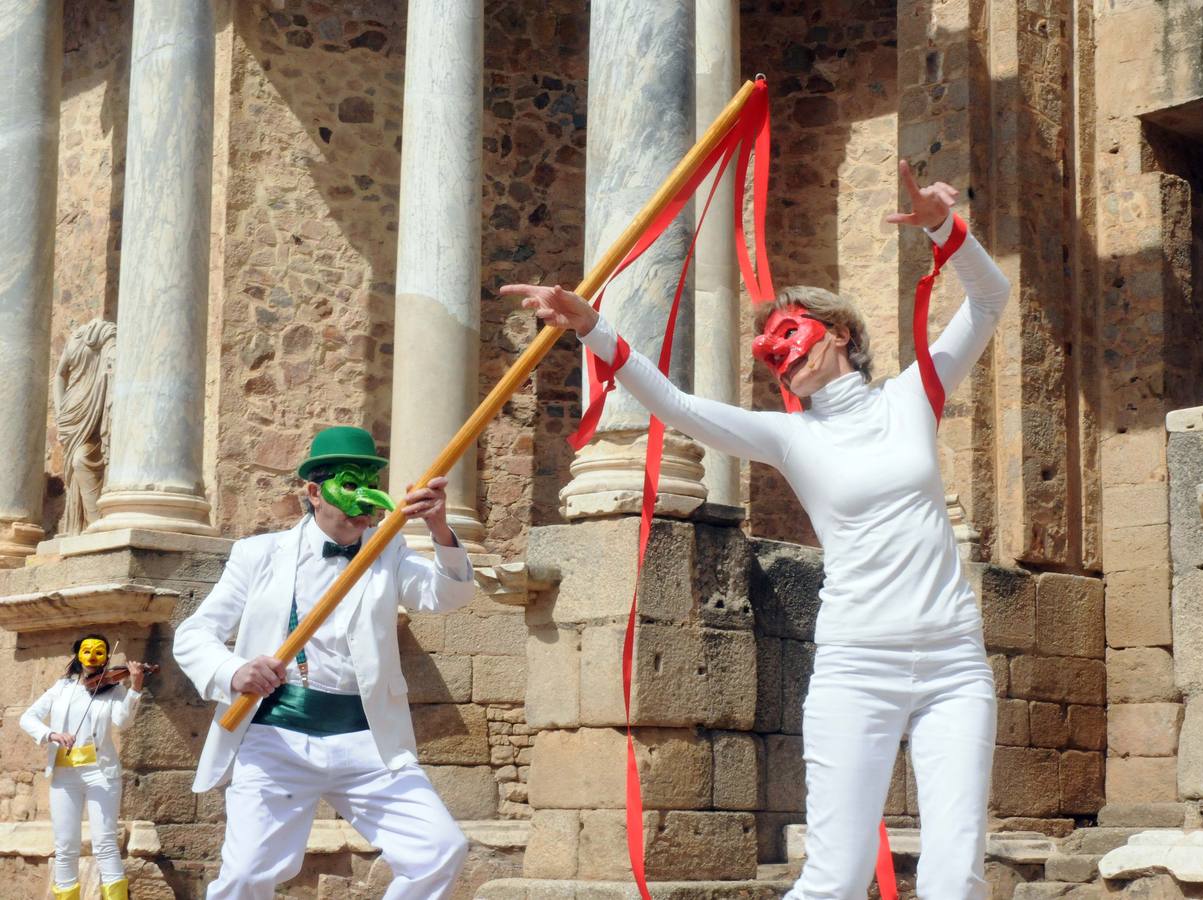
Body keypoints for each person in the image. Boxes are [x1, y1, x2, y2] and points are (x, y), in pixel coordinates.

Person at [502, 162, 1010, 898]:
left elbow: (990, 298)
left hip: (953, 663)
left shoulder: (914, 397)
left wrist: (943, 228)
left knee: (956, 875)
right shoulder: (787, 436)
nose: (777, 351)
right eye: (768, 346)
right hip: (855, 665)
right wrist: (593, 327)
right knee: (831, 878)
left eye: (787, 333)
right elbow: (677, 407)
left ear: (837, 334)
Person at [173, 425, 477, 899]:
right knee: (246, 877)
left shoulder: (388, 548)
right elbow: (194, 634)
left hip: (367, 740)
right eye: (349, 486)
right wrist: (234, 671)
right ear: (314, 492)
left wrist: (438, 529)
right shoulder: (257, 554)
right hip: (276, 738)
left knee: (440, 850)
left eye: (370, 487)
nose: (365, 503)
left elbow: (447, 595)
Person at [21, 634, 147, 900]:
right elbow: (28, 718)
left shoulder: (113, 688)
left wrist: (135, 687)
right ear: (78, 654)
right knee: (66, 845)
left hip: (101, 774)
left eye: (99, 652)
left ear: (107, 657)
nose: (92, 656)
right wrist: (51, 734)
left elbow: (123, 721)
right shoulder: (61, 687)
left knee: (105, 844)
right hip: (64, 776)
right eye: (87, 651)